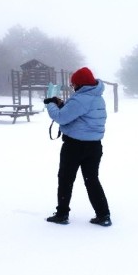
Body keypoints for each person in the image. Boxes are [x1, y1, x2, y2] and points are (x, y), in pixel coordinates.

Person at [43, 66, 111, 227]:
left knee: (65, 179)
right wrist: (63, 104)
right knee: (92, 180)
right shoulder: (96, 97)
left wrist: (51, 103)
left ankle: (62, 214)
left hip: (75, 146)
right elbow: (78, 113)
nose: (73, 86)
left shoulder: (81, 99)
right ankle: (103, 215)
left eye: (74, 84)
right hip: (94, 147)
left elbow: (61, 117)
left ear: (80, 84)